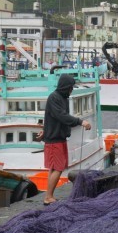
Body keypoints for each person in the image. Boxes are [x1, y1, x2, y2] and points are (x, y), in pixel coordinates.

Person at [37, 74, 91, 205]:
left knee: (54, 167)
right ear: (65, 87)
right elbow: (61, 116)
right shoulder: (54, 97)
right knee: (58, 168)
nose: (71, 90)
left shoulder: (62, 98)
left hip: (57, 138)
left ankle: (48, 195)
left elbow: (51, 118)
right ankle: (48, 197)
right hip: (54, 140)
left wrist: (45, 131)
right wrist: (80, 121)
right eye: (71, 87)